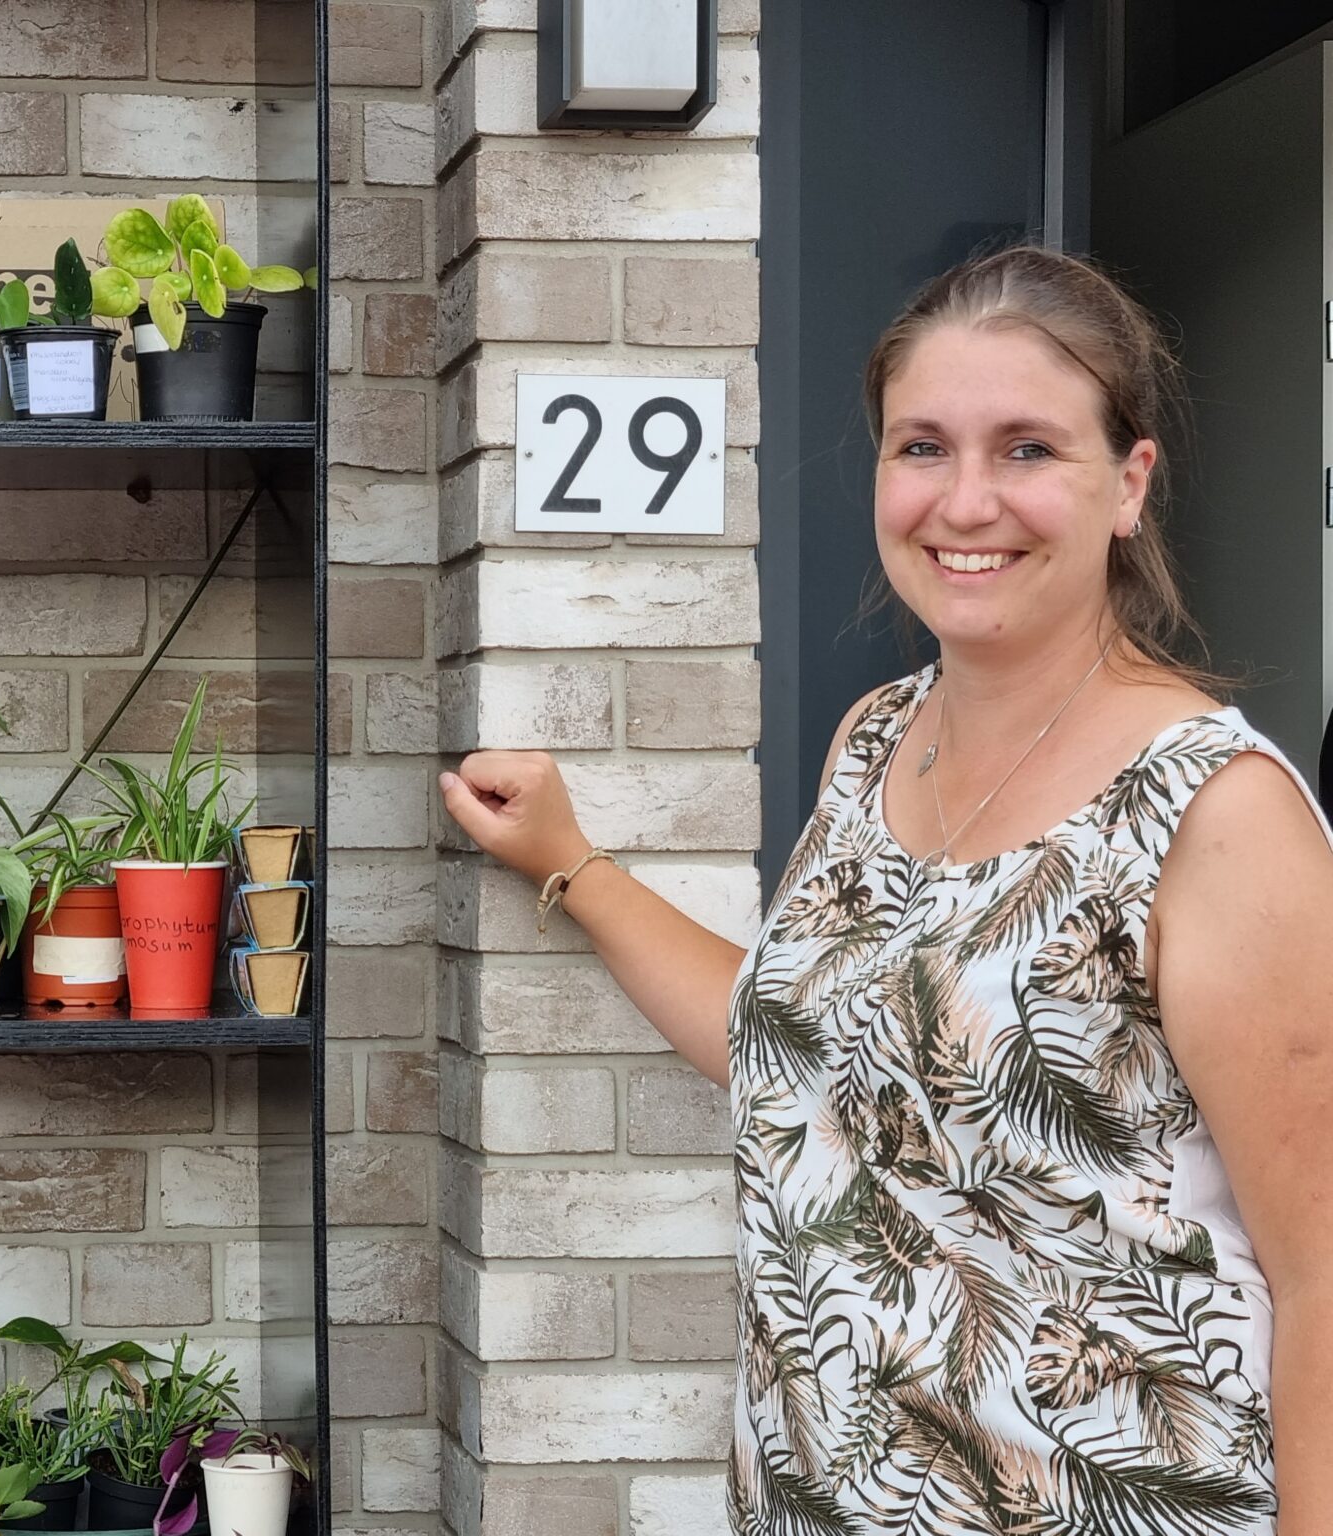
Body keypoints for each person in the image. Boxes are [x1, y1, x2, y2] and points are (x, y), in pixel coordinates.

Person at [439, 246, 1333, 1532]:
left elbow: (1319, 1279)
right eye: (921, 446)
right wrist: (571, 866)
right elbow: (790, 1048)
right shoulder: (875, 740)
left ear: (1127, 484)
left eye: (1026, 449)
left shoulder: (1215, 814)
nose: (964, 501)